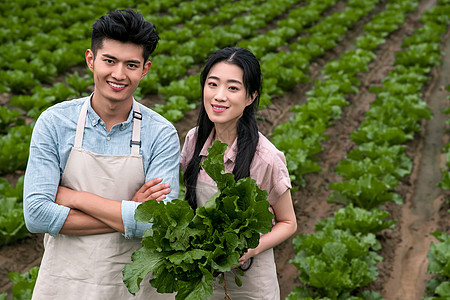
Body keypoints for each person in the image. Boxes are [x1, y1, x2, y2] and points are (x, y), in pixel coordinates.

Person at [23, 9, 179, 300]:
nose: (119, 74)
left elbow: (159, 223)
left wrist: (74, 197)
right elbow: (36, 215)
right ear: (91, 60)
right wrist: (128, 211)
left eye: (131, 64)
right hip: (66, 283)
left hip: (136, 287)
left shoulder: (161, 133)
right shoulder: (55, 123)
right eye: (110, 61)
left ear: (145, 69)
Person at [180, 47, 297, 299]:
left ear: (250, 96)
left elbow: (288, 223)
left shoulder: (266, 158)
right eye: (213, 84)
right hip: (203, 271)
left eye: (233, 88)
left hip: (250, 280)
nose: (219, 96)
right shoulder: (193, 140)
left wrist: (251, 249)